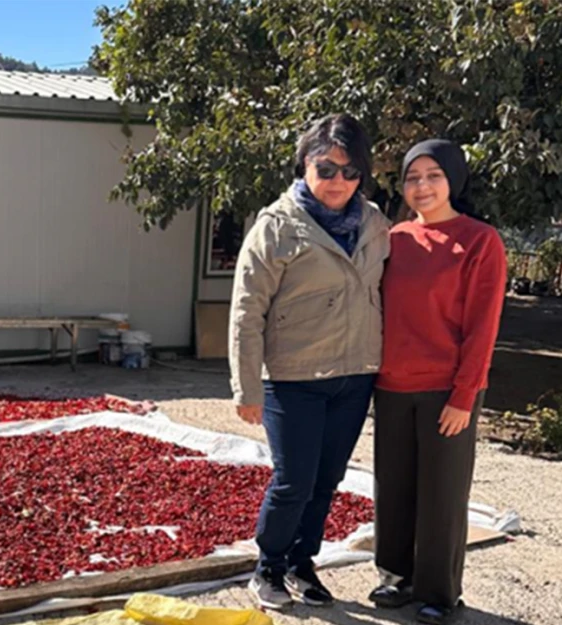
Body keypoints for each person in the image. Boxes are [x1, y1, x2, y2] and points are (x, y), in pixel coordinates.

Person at [229, 114, 390, 610]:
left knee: (327, 480)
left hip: (355, 375)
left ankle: (303, 564)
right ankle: (268, 567)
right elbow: (246, 309)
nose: (337, 181)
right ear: (305, 166)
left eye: (349, 171)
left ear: (362, 174)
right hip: (294, 378)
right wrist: (246, 388)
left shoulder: (376, 224)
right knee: (293, 480)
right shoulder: (276, 227)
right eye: (326, 169)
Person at [368, 140, 507, 625]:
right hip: (390, 386)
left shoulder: (479, 240)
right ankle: (397, 576)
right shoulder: (394, 237)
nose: (421, 187)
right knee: (395, 486)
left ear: (453, 180)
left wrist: (465, 395)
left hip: (447, 389)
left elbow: (483, 326)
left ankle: (440, 591)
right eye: (412, 178)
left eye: (433, 176)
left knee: (442, 492)